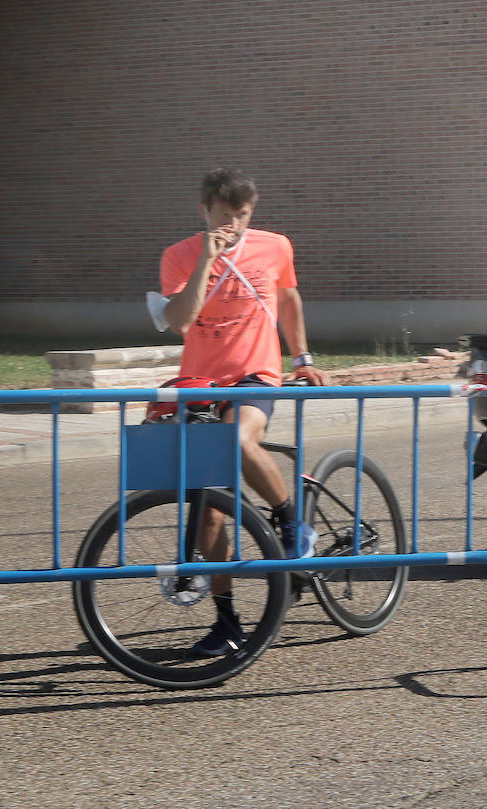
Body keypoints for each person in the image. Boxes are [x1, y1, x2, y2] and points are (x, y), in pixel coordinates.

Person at [159, 167, 329, 656]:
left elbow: (289, 298)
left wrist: (304, 358)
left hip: (255, 374)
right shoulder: (178, 255)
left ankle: (293, 523)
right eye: (224, 216)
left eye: (242, 216)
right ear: (204, 212)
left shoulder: (275, 246)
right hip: (201, 383)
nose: (233, 225)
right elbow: (178, 321)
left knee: (234, 440)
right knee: (208, 509)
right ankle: (227, 622)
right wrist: (205, 263)